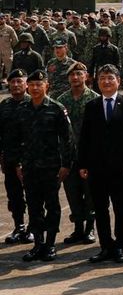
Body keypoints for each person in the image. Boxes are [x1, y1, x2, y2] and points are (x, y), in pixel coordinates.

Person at [77, 64, 123, 264]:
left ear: (118, 81)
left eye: (110, 78)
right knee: (100, 209)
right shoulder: (92, 105)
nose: (106, 81)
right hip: (97, 168)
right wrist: (83, 164)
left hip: (122, 167)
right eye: (103, 78)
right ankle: (105, 246)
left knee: (121, 208)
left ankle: (120, 246)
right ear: (97, 81)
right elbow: (85, 137)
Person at [10, 70, 74, 262]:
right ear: (28, 87)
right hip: (29, 168)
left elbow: (68, 139)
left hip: (51, 167)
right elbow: (16, 139)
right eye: (32, 85)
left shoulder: (56, 108)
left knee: (52, 206)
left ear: (47, 86)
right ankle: (38, 244)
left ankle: (50, 244)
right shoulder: (22, 109)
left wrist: (66, 165)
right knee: (34, 207)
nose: (36, 88)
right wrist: (18, 164)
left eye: (40, 84)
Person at [56, 62, 100, 245]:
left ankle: (90, 229)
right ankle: (78, 228)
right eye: (72, 75)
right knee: (72, 193)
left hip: (89, 155)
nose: (75, 77)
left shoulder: (95, 99)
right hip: (68, 156)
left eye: (79, 74)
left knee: (90, 193)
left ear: (86, 76)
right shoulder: (61, 100)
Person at [0, 69, 33, 244]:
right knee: (14, 195)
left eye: (19, 81)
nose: (15, 85)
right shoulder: (4, 106)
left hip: (31, 160)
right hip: (10, 159)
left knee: (34, 194)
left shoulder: (33, 103)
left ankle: (34, 228)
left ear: (26, 84)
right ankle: (19, 226)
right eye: (12, 82)